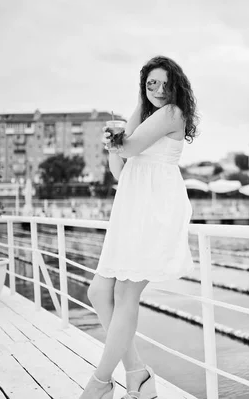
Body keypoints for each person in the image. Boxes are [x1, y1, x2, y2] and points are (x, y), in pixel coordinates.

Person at [80, 55, 199, 399]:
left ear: (176, 86)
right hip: (132, 209)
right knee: (99, 293)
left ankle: (100, 383)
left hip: (155, 211)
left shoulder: (172, 113)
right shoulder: (147, 113)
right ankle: (138, 373)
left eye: (165, 83)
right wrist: (114, 140)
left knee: (124, 294)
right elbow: (119, 169)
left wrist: (115, 139)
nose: (159, 90)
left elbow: (128, 146)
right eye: (151, 84)